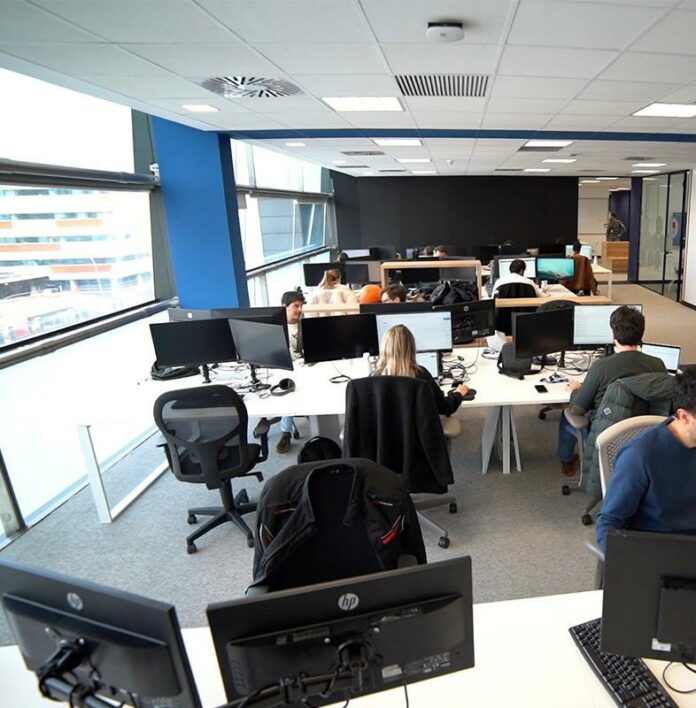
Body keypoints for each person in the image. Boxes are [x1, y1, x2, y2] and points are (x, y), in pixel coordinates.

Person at [595, 366, 696, 554]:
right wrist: (630, 563)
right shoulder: (640, 455)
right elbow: (609, 522)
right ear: (684, 416)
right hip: (659, 550)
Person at [557, 306, 667, 476]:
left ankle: (567, 461)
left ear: (613, 334)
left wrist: (577, 390)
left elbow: (577, 409)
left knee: (566, 416)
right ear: (641, 334)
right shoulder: (658, 364)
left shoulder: (601, 367)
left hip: (607, 438)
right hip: (645, 437)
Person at [374, 324, 468, 416]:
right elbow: (445, 408)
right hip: (418, 427)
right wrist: (458, 394)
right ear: (411, 348)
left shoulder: (374, 378)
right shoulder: (420, 374)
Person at [275, 291, 304, 454]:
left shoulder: (305, 325)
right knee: (289, 390)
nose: (299, 310)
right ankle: (286, 433)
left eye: (301, 306)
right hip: (284, 370)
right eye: (295, 306)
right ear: (284, 307)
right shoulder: (276, 328)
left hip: (305, 367)